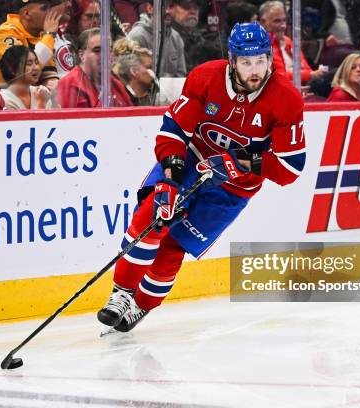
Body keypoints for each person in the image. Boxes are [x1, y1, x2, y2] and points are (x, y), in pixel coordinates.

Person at [96, 22, 306, 332]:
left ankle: (141, 305)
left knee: (174, 247)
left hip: (234, 189)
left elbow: (289, 168)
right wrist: (169, 177)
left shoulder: (285, 97)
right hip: (191, 161)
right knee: (155, 214)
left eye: (261, 60)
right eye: (246, 62)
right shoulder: (206, 76)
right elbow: (174, 130)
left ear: (270, 59)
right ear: (233, 60)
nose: (254, 70)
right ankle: (122, 292)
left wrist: (241, 162)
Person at [0, 0, 65, 83]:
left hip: (32, 93)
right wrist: (49, 34)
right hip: (6, 93)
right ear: (27, 14)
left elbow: (50, 74)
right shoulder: (4, 34)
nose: (50, 13)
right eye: (44, 8)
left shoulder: (41, 37)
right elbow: (23, 70)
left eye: (50, 8)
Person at [57, 28, 132, 108]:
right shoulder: (70, 84)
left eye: (108, 50)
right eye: (97, 50)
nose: (104, 55)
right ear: (82, 55)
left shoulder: (116, 85)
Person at [259, 1, 326, 85]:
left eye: (284, 20)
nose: (283, 26)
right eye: (277, 21)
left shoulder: (288, 41)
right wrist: (310, 75)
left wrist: (311, 74)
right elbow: (279, 77)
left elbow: (307, 68)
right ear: (263, 22)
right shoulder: (261, 46)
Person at [127, 1, 187, 77]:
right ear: (149, 8)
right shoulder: (137, 35)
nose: (168, 11)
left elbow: (181, 74)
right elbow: (133, 75)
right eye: (163, 6)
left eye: (171, 6)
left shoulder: (175, 37)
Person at [0, 45, 52, 110]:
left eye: (36, 62)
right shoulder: (4, 99)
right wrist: (41, 103)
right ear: (12, 70)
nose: (36, 68)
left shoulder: (42, 93)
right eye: (29, 64)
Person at [112, 39, 156, 105]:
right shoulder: (122, 101)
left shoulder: (154, 95)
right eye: (148, 68)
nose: (152, 72)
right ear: (134, 71)